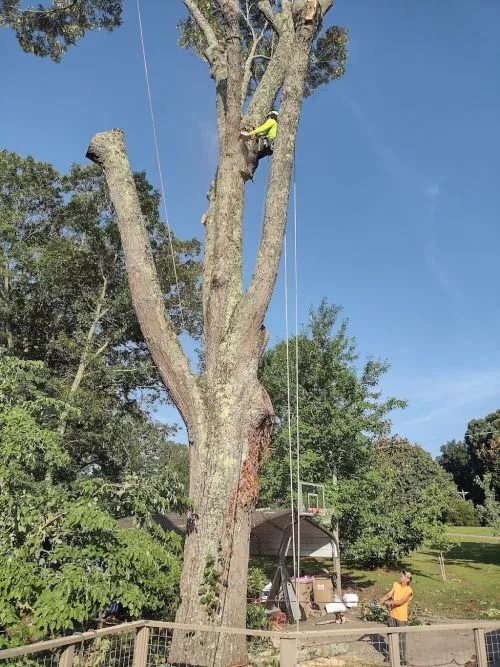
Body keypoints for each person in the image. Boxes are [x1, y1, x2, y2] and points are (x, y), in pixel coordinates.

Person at [379, 571, 413, 665]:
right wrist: (383, 598)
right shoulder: (396, 584)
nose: (401, 576)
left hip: (401, 617)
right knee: (391, 636)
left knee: (401, 638)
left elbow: (401, 601)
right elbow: (390, 594)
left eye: (403, 576)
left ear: (407, 579)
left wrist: (390, 603)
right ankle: (391, 655)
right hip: (392, 615)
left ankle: (402, 658)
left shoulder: (409, 590)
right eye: (401, 575)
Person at [240, 110, 278, 179]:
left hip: (267, 143)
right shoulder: (275, 126)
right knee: (256, 157)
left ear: (271, 116)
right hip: (269, 148)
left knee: (252, 153)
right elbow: (263, 134)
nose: (267, 119)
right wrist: (257, 134)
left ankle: (248, 170)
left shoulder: (272, 121)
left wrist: (250, 133)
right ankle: (250, 174)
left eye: (268, 117)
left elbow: (262, 128)